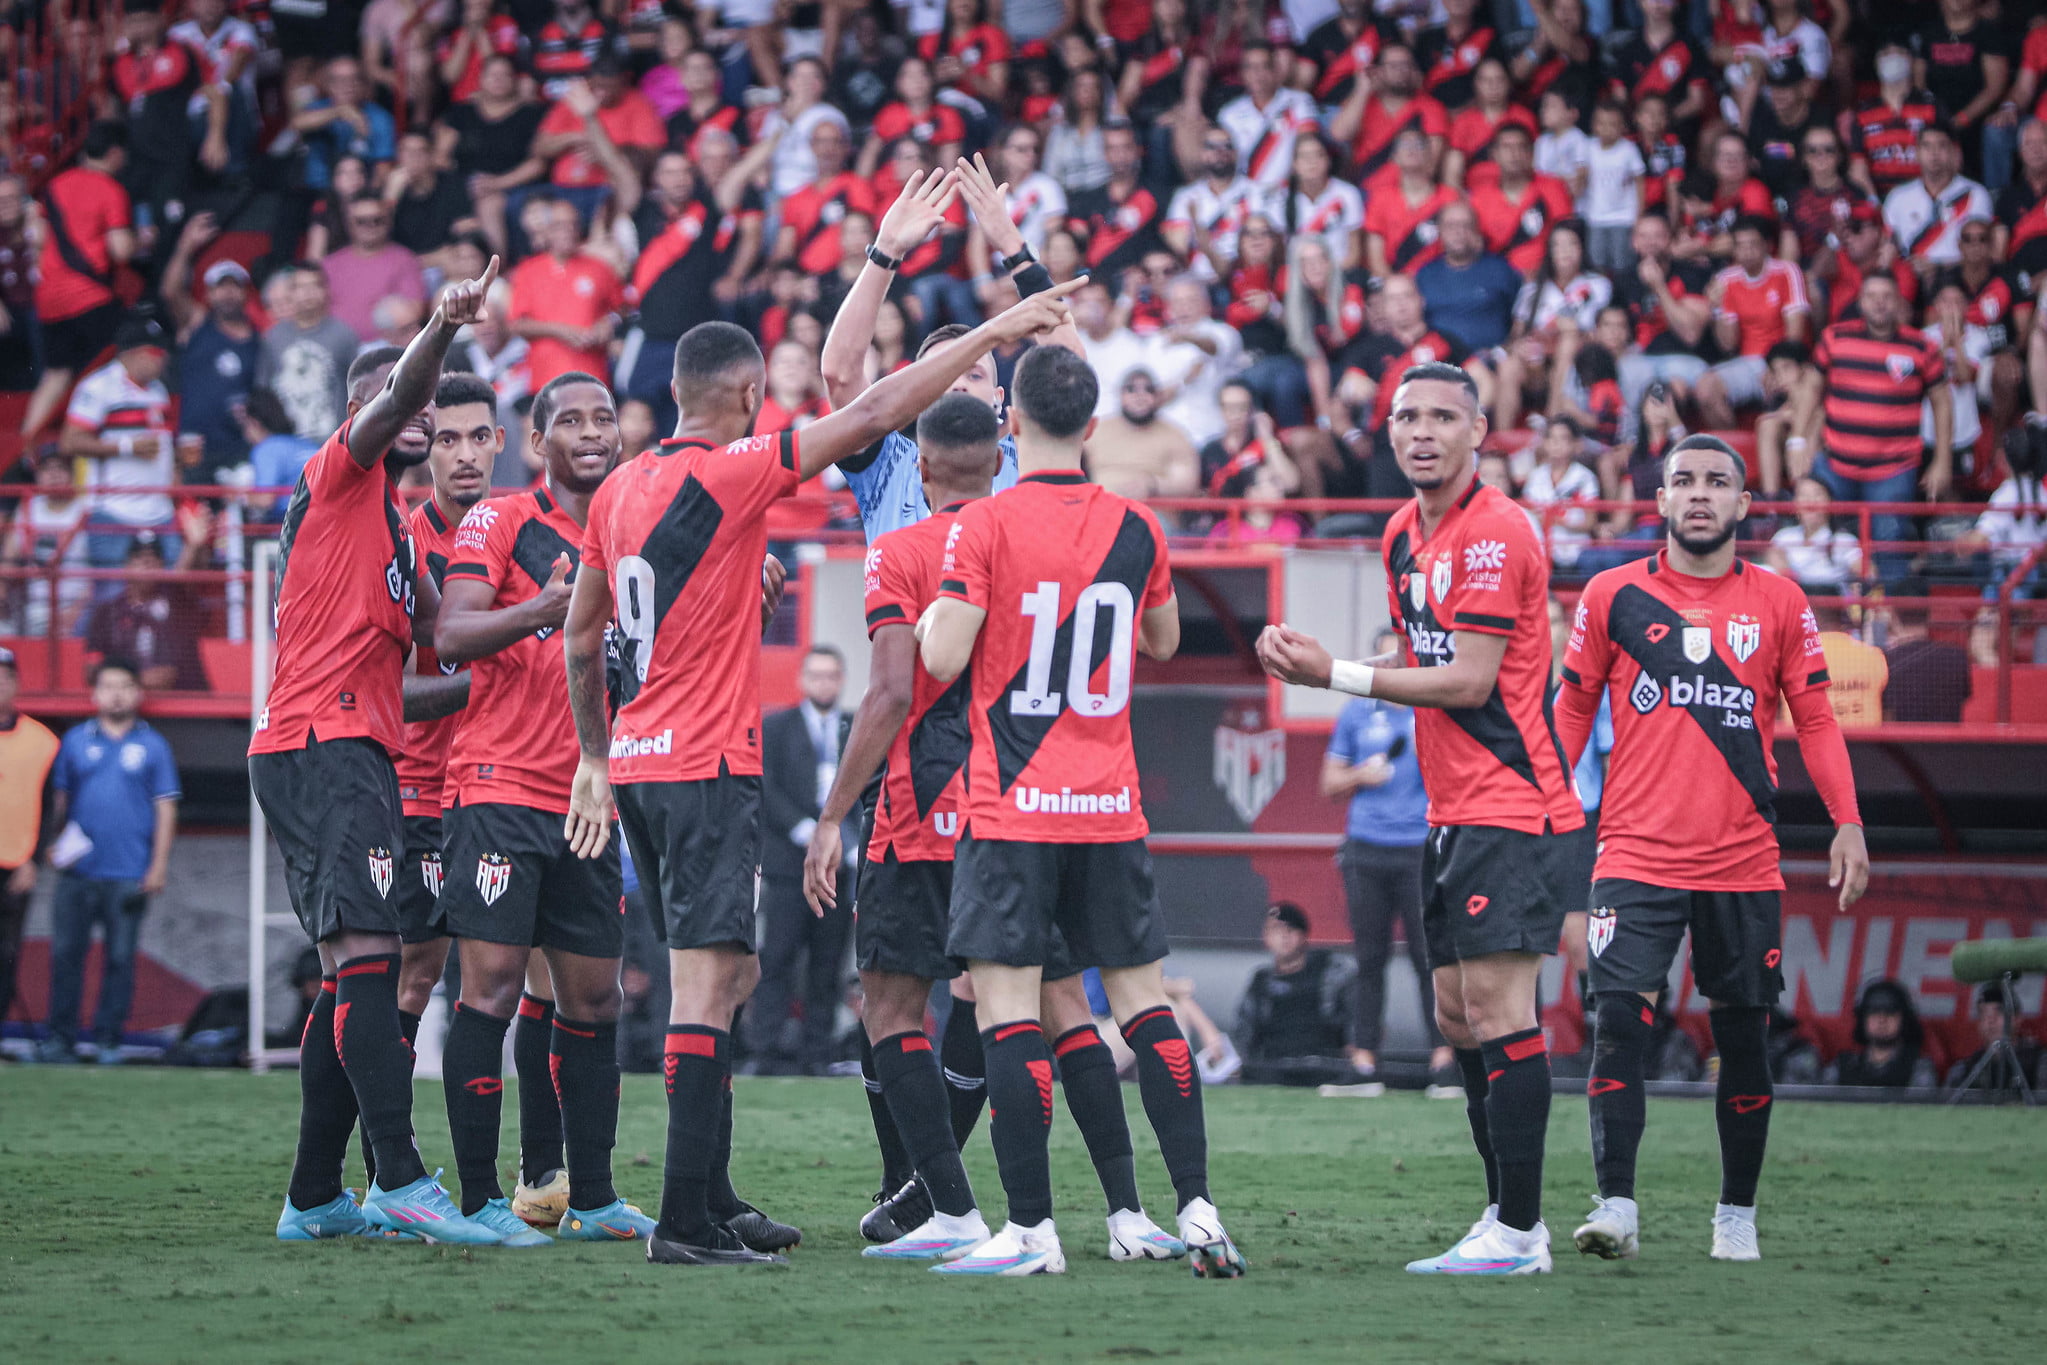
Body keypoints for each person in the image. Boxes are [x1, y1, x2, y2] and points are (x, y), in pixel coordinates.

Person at [562, 285, 1084, 1267]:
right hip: (708, 762)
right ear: (752, 393)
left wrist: (596, 749)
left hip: (636, 762)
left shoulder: (624, 487)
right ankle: (682, 1224)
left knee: (738, 976)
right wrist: (991, 333)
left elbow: (584, 633)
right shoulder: (734, 470)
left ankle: (711, 1199)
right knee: (707, 992)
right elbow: (875, 412)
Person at [917, 343, 1245, 1279]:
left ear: (1010, 423)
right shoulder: (1137, 525)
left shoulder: (980, 525)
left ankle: (1029, 1230)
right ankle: (1197, 1208)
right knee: (1144, 1005)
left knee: (1010, 1013)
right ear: (1094, 426)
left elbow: (941, 656)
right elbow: (1166, 639)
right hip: (1108, 806)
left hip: (1012, 808)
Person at [1258, 361, 1584, 1276]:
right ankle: (1502, 1215)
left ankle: (1519, 1232)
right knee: (1454, 1012)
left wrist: (1335, 675)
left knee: (1498, 1009)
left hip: (1512, 801)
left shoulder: (1496, 532)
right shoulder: (1403, 532)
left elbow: (1470, 679)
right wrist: (1303, 657)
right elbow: (1423, 658)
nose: (1421, 431)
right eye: (1406, 416)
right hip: (1450, 807)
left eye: (1444, 416)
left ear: (1480, 432)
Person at [1555, 432, 1869, 1265]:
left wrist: (1847, 819)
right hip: (1631, 852)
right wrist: (1549, 803)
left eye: (1716, 481)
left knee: (1743, 1036)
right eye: (1682, 480)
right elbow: (1571, 709)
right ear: (1658, 501)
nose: (1698, 492)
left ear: (1741, 503)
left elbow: (1813, 719)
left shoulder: (1779, 601)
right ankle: (1615, 1203)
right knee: (1617, 1020)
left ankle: (1734, 1215)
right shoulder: (1609, 594)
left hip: (1741, 859)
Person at [251, 258, 504, 1245]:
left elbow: (449, 649)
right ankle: (396, 1174)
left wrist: (553, 619)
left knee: (355, 967)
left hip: (354, 746)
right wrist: (438, 330)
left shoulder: (397, 530)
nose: (427, 423)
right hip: (323, 744)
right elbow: (401, 389)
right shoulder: (339, 474)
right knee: (368, 957)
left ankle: (315, 1195)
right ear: (365, 411)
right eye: (414, 407)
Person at [428, 370, 653, 1247]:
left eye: (603, 418)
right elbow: (451, 634)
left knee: (594, 1000)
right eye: (569, 419)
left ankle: (591, 1197)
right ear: (537, 441)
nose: (590, 431)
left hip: (585, 798)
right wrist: (545, 610)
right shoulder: (504, 520)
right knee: (486, 990)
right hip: (495, 786)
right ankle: (483, 1200)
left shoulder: (633, 533)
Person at [37, 660, 180, 1065]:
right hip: (77, 872)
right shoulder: (75, 742)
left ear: (138, 693)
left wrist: (158, 866)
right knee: (66, 954)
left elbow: (166, 808)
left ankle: (108, 1041)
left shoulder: (154, 746)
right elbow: (57, 801)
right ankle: (60, 1040)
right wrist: (49, 844)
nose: (116, 693)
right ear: (94, 694)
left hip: (129, 873)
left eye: (124, 685)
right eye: (108, 686)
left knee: (120, 959)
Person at [1324, 629, 1447, 1084]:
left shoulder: (1431, 710)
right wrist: (1362, 773)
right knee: (1368, 957)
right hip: (1366, 849)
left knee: (1427, 956)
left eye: (1398, 659)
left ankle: (1443, 1058)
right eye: (1383, 660)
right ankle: (1363, 1059)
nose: (1390, 667)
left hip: (1420, 848)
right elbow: (1329, 783)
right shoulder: (1358, 712)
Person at [752, 646, 856, 1076]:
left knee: (827, 963)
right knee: (777, 958)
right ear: (802, 679)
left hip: (839, 867)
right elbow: (764, 785)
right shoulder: (776, 727)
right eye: (816, 675)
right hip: (788, 864)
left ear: (841, 679)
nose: (824, 683)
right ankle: (767, 1051)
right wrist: (805, 830)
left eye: (832, 675)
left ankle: (818, 1053)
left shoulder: (855, 728)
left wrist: (847, 843)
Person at [1812, 272, 1951, 579]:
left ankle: (1888, 623)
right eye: (1872, 296)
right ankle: (1828, 622)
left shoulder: (1922, 347)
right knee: (1829, 545)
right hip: (1836, 464)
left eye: (1887, 296)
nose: (1879, 303)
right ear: (1860, 302)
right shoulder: (1834, 338)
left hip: (1894, 468)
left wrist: (1942, 461)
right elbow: (1810, 388)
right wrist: (1798, 440)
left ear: (1899, 303)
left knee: (1889, 547)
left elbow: (1943, 401)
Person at [22, 122, 133, 446]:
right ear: (114, 154)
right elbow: (121, 249)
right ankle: (103, 436)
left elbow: (39, 238)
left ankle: (26, 449)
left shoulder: (54, 186)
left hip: (49, 299)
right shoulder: (111, 189)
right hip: (91, 297)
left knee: (55, 375)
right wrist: (141, 239)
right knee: (115, 366)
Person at [59, 317, 178, 569]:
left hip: (160, 513)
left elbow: (160, 447)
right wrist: (127, 447)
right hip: (114, 512)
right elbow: (69, 442)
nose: (163, 358)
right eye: (156, 352)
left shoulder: (159, 390)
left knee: (171, 600)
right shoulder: (99, 386)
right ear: (133, 353)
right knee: (113, 598)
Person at [1234, 902, 1361, 1088]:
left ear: (1304, 935)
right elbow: (1245, 1030)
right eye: (1276, 929)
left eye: (1291, 929)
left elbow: (1357, 1019)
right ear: (1266, 937)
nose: (1284, 936)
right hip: (1274, 1070)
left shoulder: (1332, 973)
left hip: (1324, 1068)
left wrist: (1355, 1053)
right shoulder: (1261, 981)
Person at [0, 647, 58, 1034]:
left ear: (16, 683)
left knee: (5, 956)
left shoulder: (42, 741)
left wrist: (33, 861)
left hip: (15, 867)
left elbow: (51, 807)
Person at [84, 524, 210, 691]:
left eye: (153, 558)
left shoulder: (178, 599)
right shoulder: (107, 612)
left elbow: (186, 576)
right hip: (127, 704)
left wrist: (194, 545)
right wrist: (134, 681)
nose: (147, 562)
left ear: (162, 566)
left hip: (184, 702)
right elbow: (91, 669)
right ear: (126, 566)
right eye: (139, 557)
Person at [259, 265, 363, 440]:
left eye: (315, 285)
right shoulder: (273, 337)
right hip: (285, 442)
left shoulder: (344, 334)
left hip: (333, 442)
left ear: (326, 291)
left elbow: (359, 390)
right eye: (300, 287)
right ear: (290, 293)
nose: (308, 293)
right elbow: (263, 390)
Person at [1084, 369, 1200, 502]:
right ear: (1120, 395)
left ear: (1158, 396)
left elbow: (1186, 483)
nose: (1140, 396)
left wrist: (1153, 485)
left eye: (1148, 390)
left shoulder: (1174, 435)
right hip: (1100, 509)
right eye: (1131, 389)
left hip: (1152, 511)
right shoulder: (1096, 431)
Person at [1824, 979, 1938, 1088]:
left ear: (1905, 1019)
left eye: (1891, 1011)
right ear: (1863, 1019)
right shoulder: (1842, 1067)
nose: (1882, 1019)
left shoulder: (1918, 1069)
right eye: (1874, 1011)